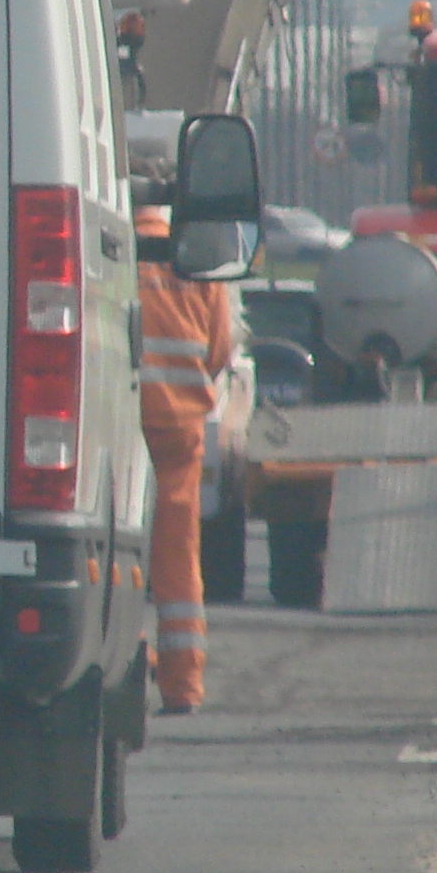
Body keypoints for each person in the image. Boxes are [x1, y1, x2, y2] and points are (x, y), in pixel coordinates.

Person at [135, 204, 237, 714]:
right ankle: (184, 686)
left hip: (123, 422)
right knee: (177, 555)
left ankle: (129, 664)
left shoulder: (109, 247)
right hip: (180, 428)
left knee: (119, 554)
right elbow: (220, 348)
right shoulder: (194, 256)